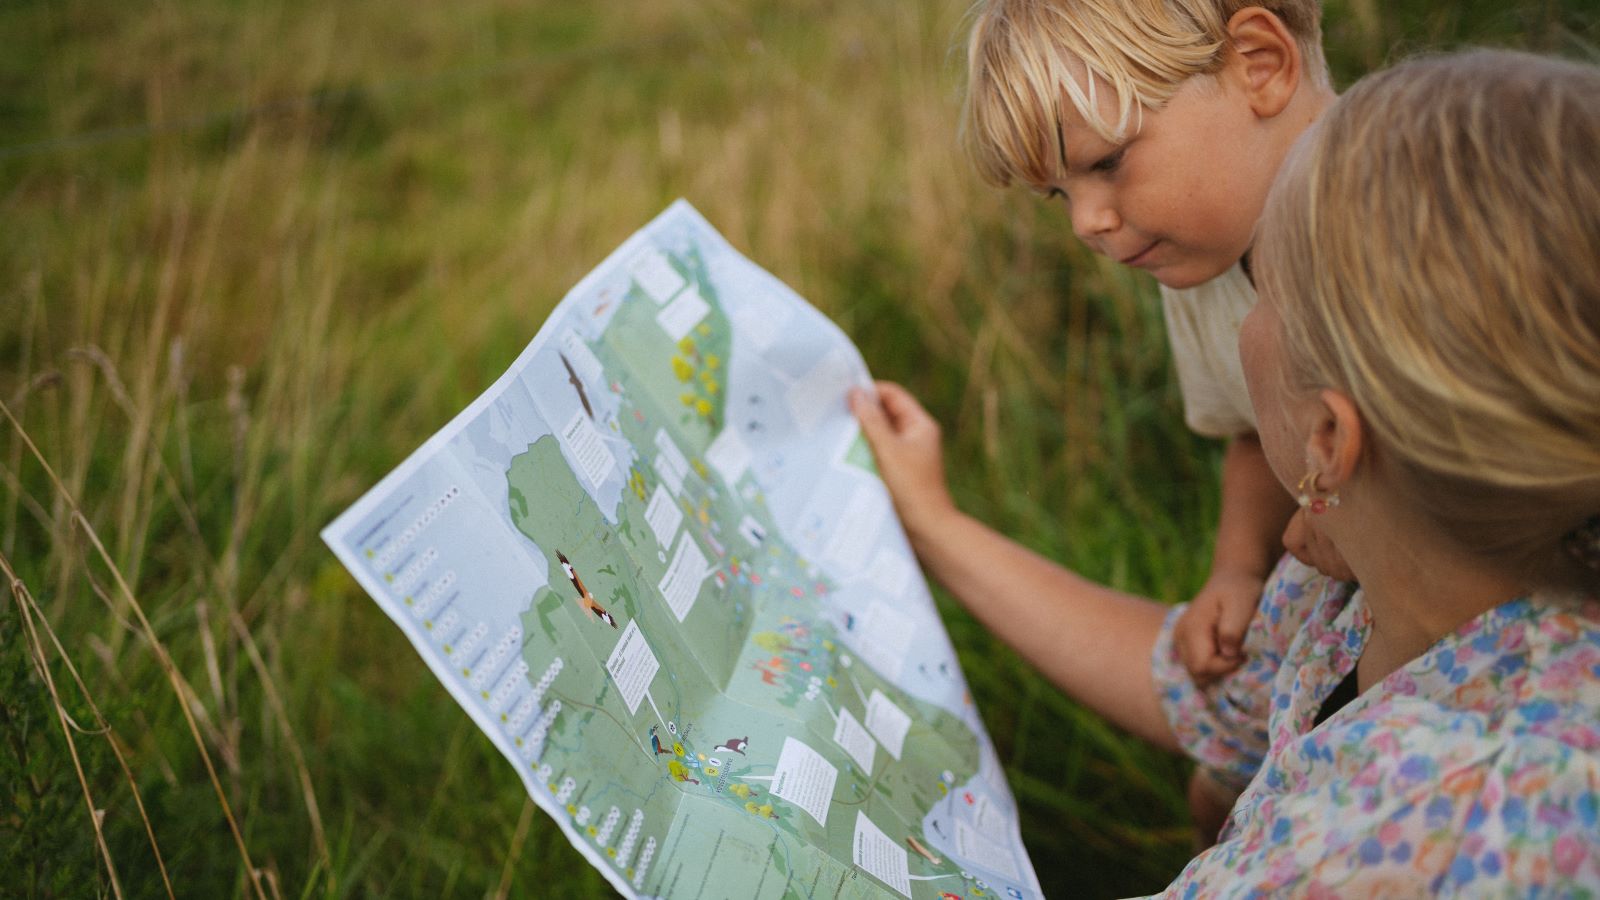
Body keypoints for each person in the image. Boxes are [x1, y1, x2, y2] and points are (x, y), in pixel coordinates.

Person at [856, 48, 1600, 892]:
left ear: (1328, 439)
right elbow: (1194, 692)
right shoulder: (1367, 570)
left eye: (1265, 287)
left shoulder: (1432, 824)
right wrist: (935, 520)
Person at [937, 0, 1343, 838]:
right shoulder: (1205, 259)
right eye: (1061, 193)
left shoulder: (1409, 224)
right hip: (1331, 579)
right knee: (1214, 799)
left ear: (1260, 65)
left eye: (1109, 161)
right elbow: (1245, 431)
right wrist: (1235, 570)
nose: (1087, 221)